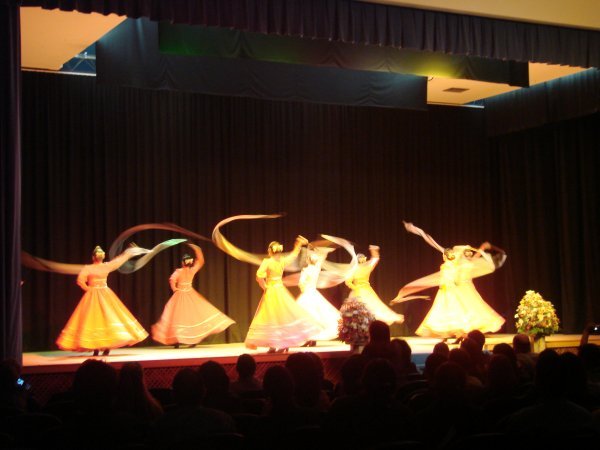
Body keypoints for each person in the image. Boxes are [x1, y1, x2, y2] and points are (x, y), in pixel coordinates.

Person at [56, 245, 149, 356]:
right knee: (106, 318)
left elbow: (80, 281)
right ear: (101, 257)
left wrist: (88, 289)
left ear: (93, 257)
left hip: (95, 294)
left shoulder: (89, 268)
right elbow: (118, 261)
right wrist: (128, 253)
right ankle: (103, 347)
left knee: (95, 319)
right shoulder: (105, 266)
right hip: (103, 293)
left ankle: (98, 348)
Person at [247, 237, 323, 352]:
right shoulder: (282, 261)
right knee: (282, 317)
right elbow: (293, 255)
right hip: (280, 290)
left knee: (271, 317)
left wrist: (265, 287)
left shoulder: (267, 262)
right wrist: (298, 245)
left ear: (270, 251)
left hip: (272, 291)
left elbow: (259, 276)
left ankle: (275, 345)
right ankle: (280, 344)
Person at [152, 244, 235, 347]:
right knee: (188, 317)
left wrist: (175, 289)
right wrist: (197, 249)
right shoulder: (190, 270)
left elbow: (172, 279)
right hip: (186, 295)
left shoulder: (181, 271)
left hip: (182, 295)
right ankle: (185, 340)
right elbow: (200, 262)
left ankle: (180, 340)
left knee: (179, 317)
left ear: (183, 262)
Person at [345, 245, 404, 326]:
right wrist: (374, 250)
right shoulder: (366, 268)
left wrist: (355, 288)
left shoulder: (355, 270)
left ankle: (362, 326)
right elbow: (375, 259)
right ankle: (364, 326)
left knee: (368, 308)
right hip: (365, 290)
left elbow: (348, 282)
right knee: (373, 307)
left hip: (360, 291)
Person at [296, 250, 342, 346]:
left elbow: (301, 283)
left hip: (307, 293)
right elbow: (320, 261)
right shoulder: (316, 269)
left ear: (308, 260)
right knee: (316, 316)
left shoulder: (306, 270)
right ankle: (312, 338)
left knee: (307, 316)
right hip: (313, 292)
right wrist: (325, 252)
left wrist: (303, 288)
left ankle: (308, 338)